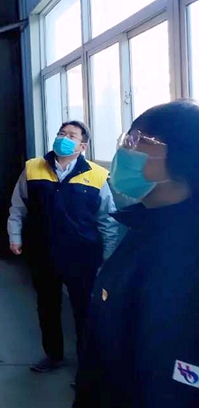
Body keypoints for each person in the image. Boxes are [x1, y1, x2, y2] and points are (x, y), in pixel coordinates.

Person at [74, 100, 199, 407]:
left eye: (135, 141)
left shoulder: (186, 251)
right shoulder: (146, 225)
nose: (123, 151)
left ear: (180, 156)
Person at [8, 121, 119, 373]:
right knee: (47, 307)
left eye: (71, 135)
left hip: (82, 257)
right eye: (61, 133)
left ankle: (86, 365)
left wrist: (108, 256)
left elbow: (107, 219)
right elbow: (18, 206)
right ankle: (53, 355)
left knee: (84, 311)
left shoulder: (96, 174)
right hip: (43, 253)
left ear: (83, 146)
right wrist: (15, 236)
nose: (64, 138)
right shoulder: (33, 168)